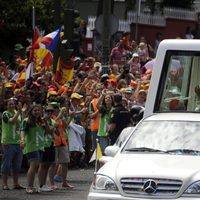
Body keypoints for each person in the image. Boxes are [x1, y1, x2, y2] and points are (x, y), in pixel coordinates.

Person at [20, 104, 46, 194]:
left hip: (40, 146)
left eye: (38, 110)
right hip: (31, 146)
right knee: (33, 165)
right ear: (31, 111)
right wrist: (22, 140)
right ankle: (29, 186)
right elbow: (22, 131)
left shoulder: (41, 121)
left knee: (36, 166)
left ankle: (32, 185)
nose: (37, 112)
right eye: (35, 110)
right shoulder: (26, 121)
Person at [1, 98, 24, 190]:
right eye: (9, 104)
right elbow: (11, 121)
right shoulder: (5, 113)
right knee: (6, 164)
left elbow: (20, 125)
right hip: (8, 142)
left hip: (17, 142)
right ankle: (5, 184)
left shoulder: (18, 113)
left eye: (12, 104)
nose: (11, 105)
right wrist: (19, 111)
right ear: (6, 106)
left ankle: (16, 183)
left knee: (17, 165)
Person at [96, 89, 114, 153]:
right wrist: (102, 95)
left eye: (109, 98)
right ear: (104, 100)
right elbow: (97, 105)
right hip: (102, 133)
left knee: (111, 152)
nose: (108, 99)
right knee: (104, 152)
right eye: (106, 98)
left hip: (111, 134)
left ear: (112, 100)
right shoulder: (102, 109)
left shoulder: (114, 109)